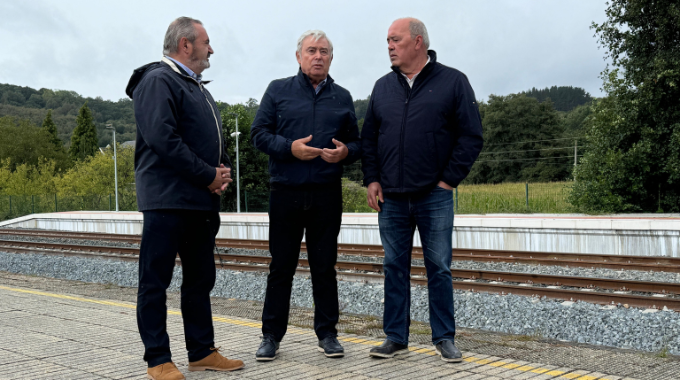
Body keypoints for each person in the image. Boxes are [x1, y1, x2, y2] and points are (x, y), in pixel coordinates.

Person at [125, 16, 244, 380]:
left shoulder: (196, 87)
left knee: (198, 279)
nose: (212, 49)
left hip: (198, 202)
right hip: (166, 201)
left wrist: (219, 173)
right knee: (155, 281)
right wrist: (207, 174)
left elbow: (206, 141)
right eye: (206, 42)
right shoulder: (158, 80)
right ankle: (158, 359)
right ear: (185, 45)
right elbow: (164, 140)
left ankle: (201, 351)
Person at [361, 18, 483, 362]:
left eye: (395, 40)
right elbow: (368, 138)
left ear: (418, 43)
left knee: (439, 268)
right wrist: (372, 178)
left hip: (435, 195)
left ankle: (444, 337)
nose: (389, 46)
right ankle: (395, 337)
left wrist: (448, 180)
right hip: (392, 198)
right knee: (393, 267)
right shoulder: (383, 87)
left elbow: (471, 136)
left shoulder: (453, 82)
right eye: (387, 40)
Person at [250, 30, 361, 361]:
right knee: (281, 266)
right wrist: (290, 148)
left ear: (331, 58)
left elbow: (357, 144)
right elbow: (258, 134)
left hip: (326, 194)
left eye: (324, 51)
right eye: (311, 51)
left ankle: (327, 334)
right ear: (298, 56)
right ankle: (271, 336)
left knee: (324, 267)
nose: (318, 56)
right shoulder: (278, 90)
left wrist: (345, 153)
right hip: (285, 191)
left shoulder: (342, 97)